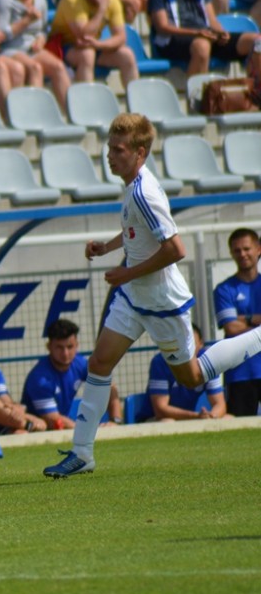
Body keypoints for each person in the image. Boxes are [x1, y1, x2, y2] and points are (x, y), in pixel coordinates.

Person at [43, 113, 261, 478]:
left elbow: (176, 249)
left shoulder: (145, 193)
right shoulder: (133, 187)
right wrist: (107, 247)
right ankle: (82, 453)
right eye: (109, 148)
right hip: (134, 297)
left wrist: (126, 272)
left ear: (140, 153)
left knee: (192, 377)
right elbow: (135, 231)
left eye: (119, 150)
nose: (110, 156)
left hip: (161, 302)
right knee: (99, 363)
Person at [21, 318, 122, 430]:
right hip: (36, 430)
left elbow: (109, 387)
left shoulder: (80, 363)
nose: (65, 354)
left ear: (77, 345)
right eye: (59, 347)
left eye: (70, 347)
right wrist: (87, 431)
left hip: (64, 426)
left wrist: (115, 421)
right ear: (49, 347)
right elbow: (53, 419)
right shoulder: (40, 379)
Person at [0, 0, 71, 111]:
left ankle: (71, 113)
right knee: (35, 68)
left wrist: (41, 39)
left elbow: (44, 30)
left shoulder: (40, 0)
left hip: (32, 49)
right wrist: (26, 21)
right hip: (10, 48)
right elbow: (0, 36)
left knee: (58, 67)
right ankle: (34, 114)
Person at [149, 0, 261, 74]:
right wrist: (196, 33)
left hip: (205, 35)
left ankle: (256, 90)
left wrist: (221, 32)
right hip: (174, 40)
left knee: (256, 41)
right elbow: (162, 27)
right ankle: (197, 96)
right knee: (202, 46)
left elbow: (212, 21)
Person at [213, 228, 261, 416]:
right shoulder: (224, 289)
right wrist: (255, 319)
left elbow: (236, 324)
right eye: (237, 250)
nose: (242, 254)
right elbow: (231, 327)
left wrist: (243, 319)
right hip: (240, 373)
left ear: (258, 249)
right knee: (242, 427)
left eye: (246, 249)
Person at [49, 0, 138, 87]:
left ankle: (134, 95)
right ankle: (86, 96)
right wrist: (101, 10)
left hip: (92, 46)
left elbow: (121, 37)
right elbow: (84, 36)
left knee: (127, 55)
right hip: (60, 48)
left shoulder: (112, 1)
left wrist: (99, 45)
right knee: (87, 55)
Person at [147, 324, 228, 421]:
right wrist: (196, 416)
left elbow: (219, 404)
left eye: (191, 344)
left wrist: (211, 417)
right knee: (168, 422)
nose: (187, 349)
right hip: (156, 418)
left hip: (193, 417)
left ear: (200, 344)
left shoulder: (208, 361)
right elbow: (160, 410)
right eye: (182, 343)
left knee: (229, 418)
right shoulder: (160, 362)